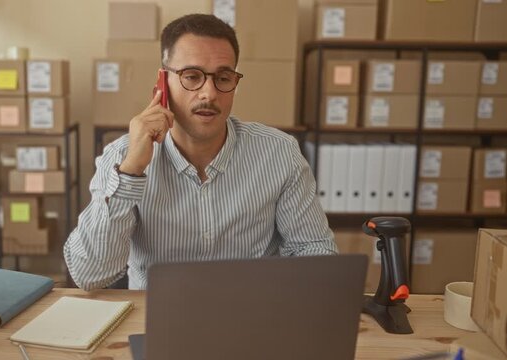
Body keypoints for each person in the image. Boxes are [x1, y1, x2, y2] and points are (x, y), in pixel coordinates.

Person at [64, 14, 337, 290]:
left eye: (223, 77)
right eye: (191, 76)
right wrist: (131, 171)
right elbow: (90, 275)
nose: (209, 93)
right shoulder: (122, 157)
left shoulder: (279, 153)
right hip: (157, 318)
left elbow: (315, 253)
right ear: (162, 83)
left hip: (252, 316)